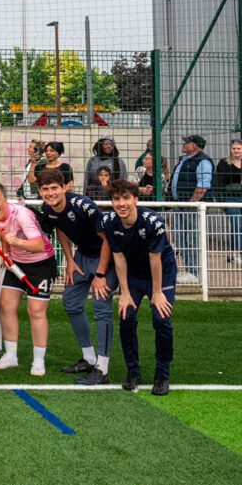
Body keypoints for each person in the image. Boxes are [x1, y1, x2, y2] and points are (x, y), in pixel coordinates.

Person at [37, 168, 116, 385]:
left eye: (54, 188)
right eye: (45, 189)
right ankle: (89, 359)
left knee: (101, 308)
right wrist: (70, 260)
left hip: (105, 256)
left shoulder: (84, 206)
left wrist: (100, 273)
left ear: (65, 188)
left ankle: (103, 368)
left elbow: (108, 239)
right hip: (82, 256)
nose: (50, 193)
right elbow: (61, 228)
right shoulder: (47, 207)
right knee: (71, 302)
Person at [101, 179, 177, 395]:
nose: (121, 203)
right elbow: (118, 258)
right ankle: (133, 371)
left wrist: (157, 292)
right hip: (133, 273)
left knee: (161, 319)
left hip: (161, 271)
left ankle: (162, 374)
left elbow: (156, 259)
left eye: (126, 198)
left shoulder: (153, 221)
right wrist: (124, 293)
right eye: (116, 199)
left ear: (136, 199)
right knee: (126, 317)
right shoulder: (110, 223)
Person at [0, 182, 55, 377]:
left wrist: (17, 242)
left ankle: (39, 361)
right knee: (6, 305)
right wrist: (7, 255)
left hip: (41, 264)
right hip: (17, 264)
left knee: (36, 312)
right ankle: (11, 356)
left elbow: (39, 245)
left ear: (5, 200)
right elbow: (3, 236)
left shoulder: (22, 215)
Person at [170, 134, 213, 283]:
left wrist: (191, 203)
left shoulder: (203, 161)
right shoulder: (183, 160)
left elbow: (203, 186)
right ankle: (188, 270)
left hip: (191, 207)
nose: (184, 145)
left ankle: (194, 272)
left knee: (193, 239)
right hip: (179, 205)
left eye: (186, 143)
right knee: (180, 238)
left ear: (194, 146)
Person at [215, 139, 242, 265]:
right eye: (234, 148)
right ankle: (234, 253)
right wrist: (221, 201)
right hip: (231, 198)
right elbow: (219, 182)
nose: (236, 151)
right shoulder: (224, 163)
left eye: (238, 148)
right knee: (236, 225)